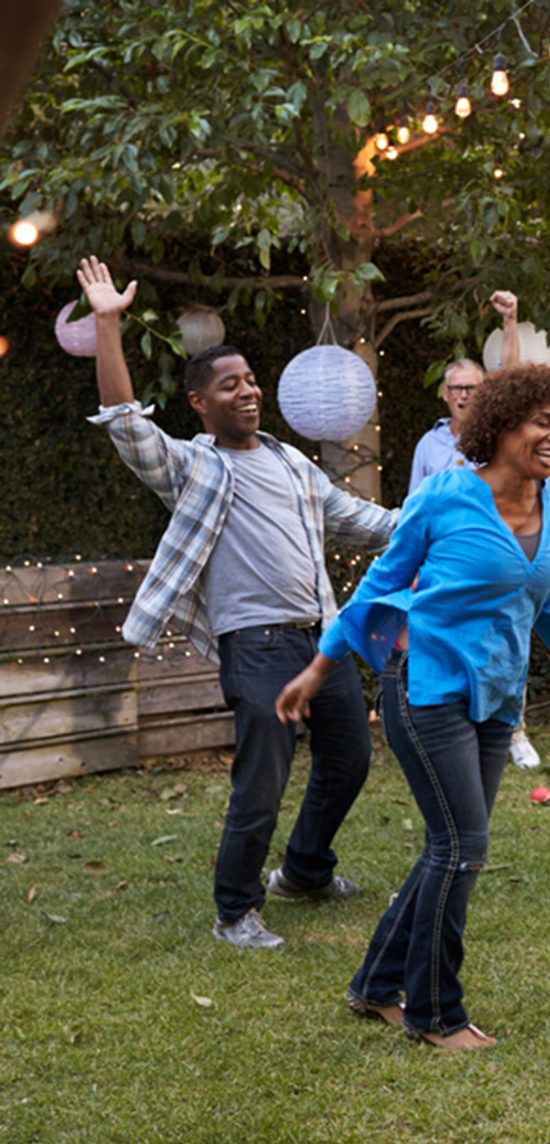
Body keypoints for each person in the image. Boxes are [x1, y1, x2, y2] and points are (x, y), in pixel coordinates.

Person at [276, 364, 550, 1051]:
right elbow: (378, 587)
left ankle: (376, 985)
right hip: (425, 685)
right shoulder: (445, 496)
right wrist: (318, 668)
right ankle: (435, 1014)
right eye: (542, 422)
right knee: (461, 846)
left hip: (499, 694)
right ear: (501, 426)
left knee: (450, 847)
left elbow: (549, 599)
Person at [78, 256, 399, 950]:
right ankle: (235, 909)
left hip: (325, 641)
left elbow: (356, 517)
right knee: (262, 782)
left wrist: (434, 516)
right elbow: (127, 426)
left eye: (251, 381)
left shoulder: (289, 461)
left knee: (350, 762)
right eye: (230, 386)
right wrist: (109, 325)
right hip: (256, 647)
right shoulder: (198, 466)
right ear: (201, 402)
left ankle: (306, 872)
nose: (248, 392)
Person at [407, 292, 542, 770]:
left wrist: (510, 322)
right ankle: (453, 728)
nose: (464, 394)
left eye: (472, 387)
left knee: (506, 640)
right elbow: (412, 511)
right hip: (444, 565)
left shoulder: (499, 434)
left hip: (494, 557)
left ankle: (515, 730)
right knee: (448, 646)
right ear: (445, 394)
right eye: (456, 388)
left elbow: (511, 379)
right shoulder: (429, 444)